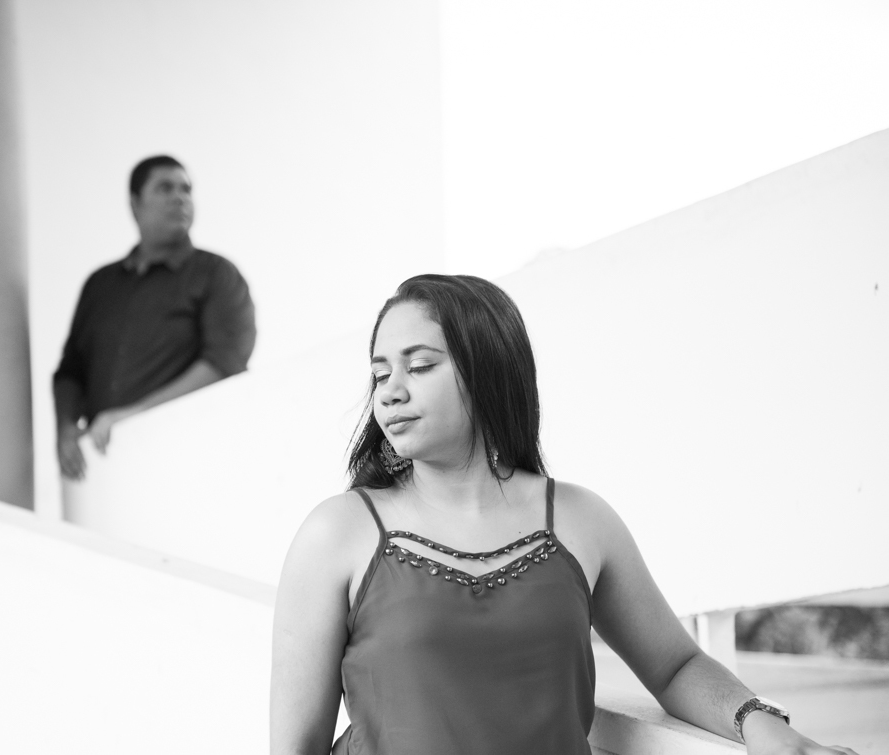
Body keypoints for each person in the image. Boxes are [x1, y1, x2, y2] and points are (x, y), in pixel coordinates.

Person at [271, 274, 859, 755]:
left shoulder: (582, 520)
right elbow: (295, 747)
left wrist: (761, 724)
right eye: (380, 373)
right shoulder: (337, 533)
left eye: (419, 366)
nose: (389, 391)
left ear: (487, 369)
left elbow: (675, 665)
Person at [53, 155, 256, 480]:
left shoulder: (217, 275)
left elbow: (225, 364)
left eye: (186, 189)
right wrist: (65, 429)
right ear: (135, 204)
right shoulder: (100, 286)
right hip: (103, 474)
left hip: (189, 465)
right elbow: (70, 372)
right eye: (165, 188)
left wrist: (131, 416)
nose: (180, 197)